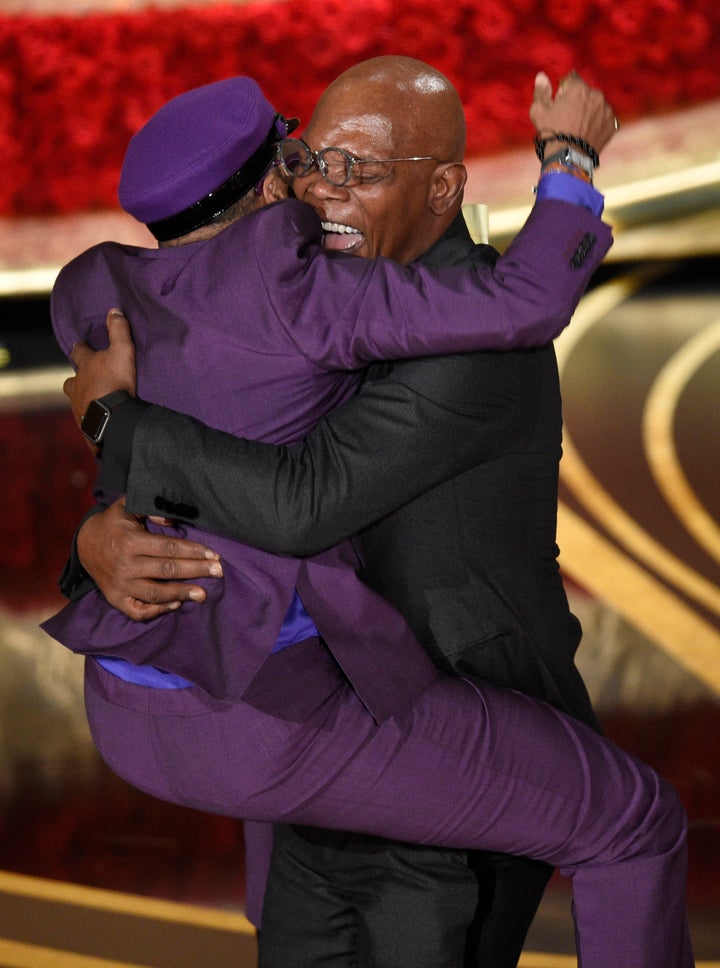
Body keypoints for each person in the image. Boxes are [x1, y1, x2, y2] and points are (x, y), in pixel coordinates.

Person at [44, 70, 694, 968]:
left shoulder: (462, 349)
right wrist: (97, 539)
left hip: (405, 738)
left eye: (360, 168)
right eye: (313, 160)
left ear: (443, 188)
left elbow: (293, 501)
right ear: (277, 176)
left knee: (626, 822)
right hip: (303, 720)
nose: (323, 188)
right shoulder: (297, 284)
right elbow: (202, 451)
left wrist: (118, 425)